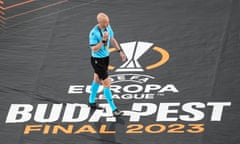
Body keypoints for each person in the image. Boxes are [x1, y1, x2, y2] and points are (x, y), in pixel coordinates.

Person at [88, 12, 126, 116]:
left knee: (96, 79)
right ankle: (114, 109)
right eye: (105, 23)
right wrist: (103, 41)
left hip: (105, 58)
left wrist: (120, 51)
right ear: (99, 23)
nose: (107, 24)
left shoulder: (108, 27)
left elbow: (112, 39)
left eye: (108, 22)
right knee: (106, 83)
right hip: (97, 60)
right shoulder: (93, 33)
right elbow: (94, 49)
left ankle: (91, 102)